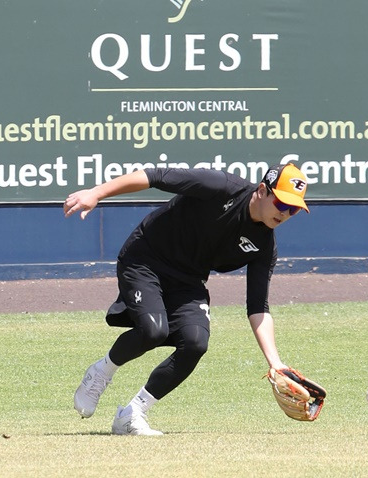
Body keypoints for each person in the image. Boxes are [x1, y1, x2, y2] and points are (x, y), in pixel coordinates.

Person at [63, 162, 309, 435]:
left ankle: (132, 414)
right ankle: (102, 371)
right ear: (263, 190)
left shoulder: (264, 245)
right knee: (153, 330)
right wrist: (97, 192)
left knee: (195, 343)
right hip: (145, 259)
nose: (286, 213)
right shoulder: (221, 187)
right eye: (283, 204)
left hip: (188, 280)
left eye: (295, 209)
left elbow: (258, 307)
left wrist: (276, 363)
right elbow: (154, 176)